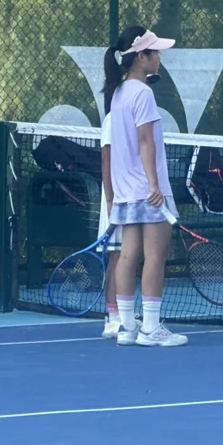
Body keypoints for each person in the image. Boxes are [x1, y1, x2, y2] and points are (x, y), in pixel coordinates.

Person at [102, 26, 187, 347]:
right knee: (155, 256)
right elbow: (145, 141)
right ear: (141, 57)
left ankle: (126, 328)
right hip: (149, 191)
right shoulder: (143, 93)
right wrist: (154, 184)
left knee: (127, 256)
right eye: (155, 52)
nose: (159, 58)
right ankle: (150, 328)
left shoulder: (119, 93)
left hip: (126, 192)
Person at [99, 109, 124, 339]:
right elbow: (106, 159)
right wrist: (110, 199)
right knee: (117, 256)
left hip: (134, 194)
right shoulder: (112, 119)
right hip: (116, 196)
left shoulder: (140, 116)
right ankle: (113, 317)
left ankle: (125, 314)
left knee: (130, 256)